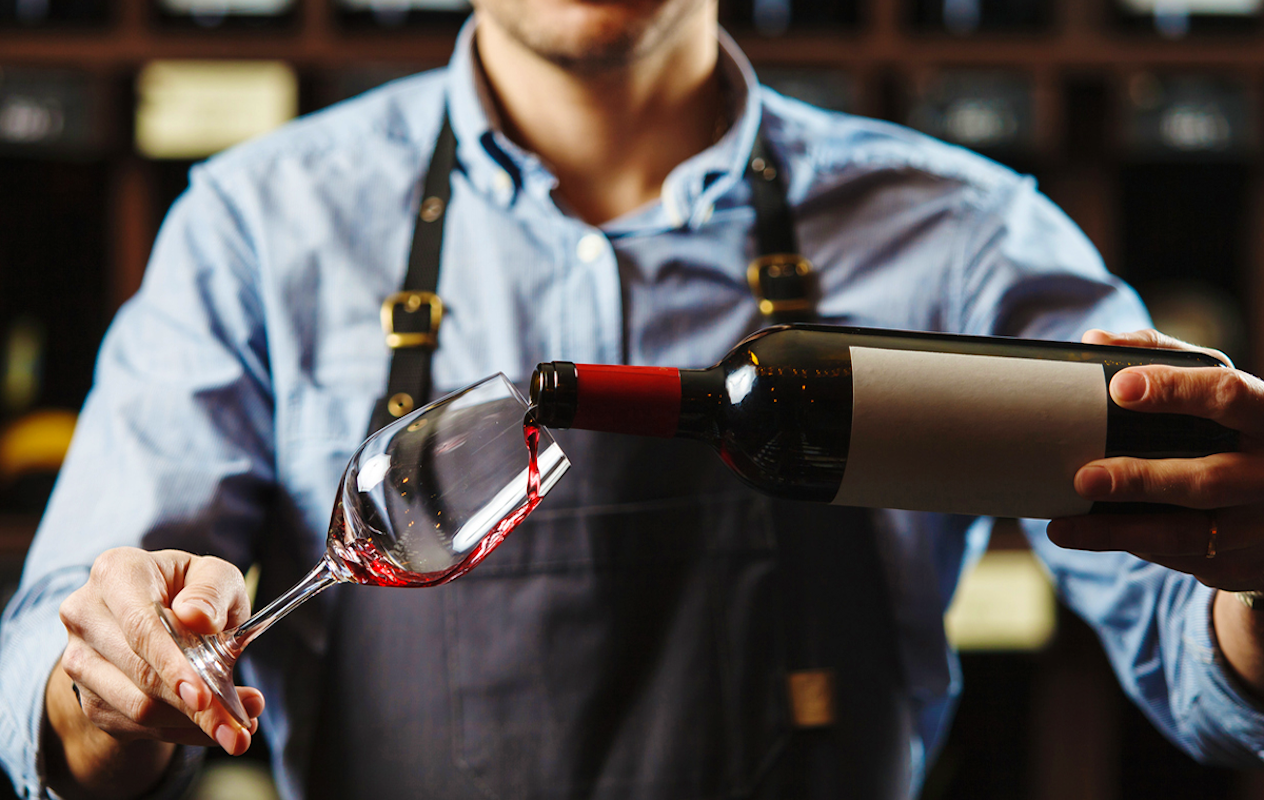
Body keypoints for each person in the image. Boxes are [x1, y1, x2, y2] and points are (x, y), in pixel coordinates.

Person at [3, 0, 1264, 795]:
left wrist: (1249, 577)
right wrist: (105, 679)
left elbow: (1193, 659)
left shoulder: (963, 233)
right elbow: (49, 687)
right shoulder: (254, 226)